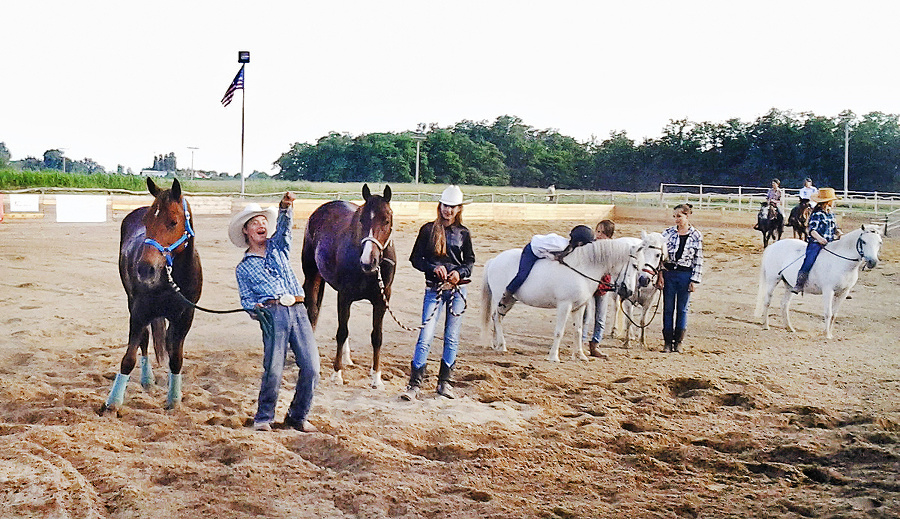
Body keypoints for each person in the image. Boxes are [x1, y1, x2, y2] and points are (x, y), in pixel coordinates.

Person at [231, 193, 320, 432]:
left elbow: (285, 229)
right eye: (254, 223)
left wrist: (285, 208)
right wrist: (255, 309)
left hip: (299, 308)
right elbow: (246, 299)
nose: (261, 225)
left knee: (312, 367)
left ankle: (297, 416)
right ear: (246, 232)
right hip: (272, 313)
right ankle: (264, 417)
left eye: (263, 221)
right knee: (273, 368)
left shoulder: (278, 247)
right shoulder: (243, 268)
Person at [401, 185, 476, 401]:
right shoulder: (427, 230)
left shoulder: (463, 233)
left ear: (458, 209)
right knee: (425, 336)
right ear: (440, 206)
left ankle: (445, 383)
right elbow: (416, 259)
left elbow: (469, 260)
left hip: (457, 288)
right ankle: (414, 385)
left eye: (452, 207)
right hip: (433, 288)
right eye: (445, 206)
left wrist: (458, 272)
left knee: (451, 337)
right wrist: (433, 268)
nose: (448, 210)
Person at [496, 224, 596, 316]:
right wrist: (551, 257)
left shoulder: (568, 246)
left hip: (544, 248)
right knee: (522, 274)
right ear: (579, 243)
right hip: (533, 250)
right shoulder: (560, 246)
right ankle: (507, 294)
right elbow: (544, 251)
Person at [657, 203, 703, 353]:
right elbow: (660, 257)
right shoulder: (667, 233)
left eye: (679, 216)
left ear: (687, 216)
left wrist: (694, 280)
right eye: (675, 216)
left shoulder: (696, 235)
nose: (676, 219)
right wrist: (660, 275)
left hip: (685, 275)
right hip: (669, 274)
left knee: (682, 309)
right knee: (668, 309)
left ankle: (679, 342)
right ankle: (667, 342)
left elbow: (698, 259)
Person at [792, 187, 842, 294]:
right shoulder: (817, 214)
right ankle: (799, 283)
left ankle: (840, 285)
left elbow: (835, 228)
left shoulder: (831, 214)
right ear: (828, 202)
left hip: (831, 243)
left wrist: (839, 233)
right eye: (832, 200)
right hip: (816, 243)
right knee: (809, 259)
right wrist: (819, 239)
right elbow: (812, 230)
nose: (834, 203)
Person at [582, 219, 615, 358]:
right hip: (590, 285)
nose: (599, 235)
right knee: (586, 316)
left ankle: (595, 344)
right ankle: (581, 343)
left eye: (603, 233)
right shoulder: (590, 246)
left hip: (603, 285)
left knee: (600, 317)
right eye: (598, 231)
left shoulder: (612, 249)